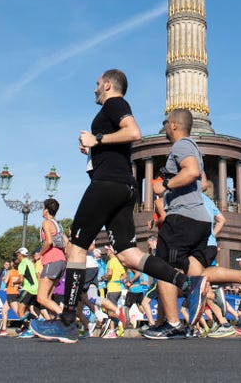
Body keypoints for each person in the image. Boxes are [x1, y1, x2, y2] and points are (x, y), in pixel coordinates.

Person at [32, 70, 204, 344]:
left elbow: (133, 132)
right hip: (125, 187)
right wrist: (93, 148)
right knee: (127, 254)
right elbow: (119, 138)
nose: (94, 89)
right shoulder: (112, 110)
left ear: (109, 85)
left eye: (97, 83)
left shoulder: (115, 103)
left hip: (107, 184)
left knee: (75, 246)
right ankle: (187, 283)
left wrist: (96, 140)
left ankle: (66, 322)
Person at [141, 109, 241, 339]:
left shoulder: (182, 146)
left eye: (166, 122)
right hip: (200, 220)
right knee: (195, 272)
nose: (165, 125)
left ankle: (172, 323)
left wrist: (166, 185)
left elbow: (192, 172)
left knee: (161, 268)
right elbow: (202, 182)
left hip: (183, 218)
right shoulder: (192, 148)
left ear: (173, 125)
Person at [36, 198, 68, 319]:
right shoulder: (58, 225)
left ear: (46, 210)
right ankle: (57, 323)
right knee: (48, 298)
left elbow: (49, 242)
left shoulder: (46, 222)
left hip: (51, 260)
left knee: (41, 298)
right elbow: (66, 243)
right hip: (61, 261)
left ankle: (66, 318)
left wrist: (40, 253)